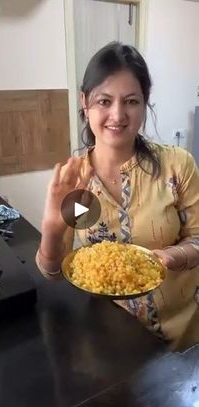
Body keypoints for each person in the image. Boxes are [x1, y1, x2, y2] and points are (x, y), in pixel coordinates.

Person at [36, 42, 199, 351]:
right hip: (107, 342)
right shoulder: (78, 182)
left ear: (145, 103)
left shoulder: (177, 167)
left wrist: (173, 257)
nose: (117, 114)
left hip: (182, 338)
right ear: (85, 102)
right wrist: (52, 228)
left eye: (131, 101)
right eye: (104, 101)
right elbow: (56, 273)